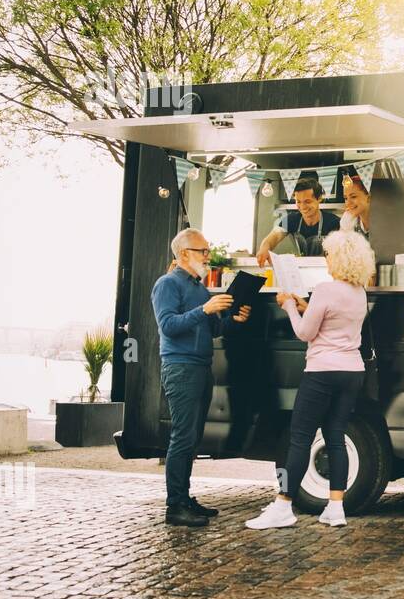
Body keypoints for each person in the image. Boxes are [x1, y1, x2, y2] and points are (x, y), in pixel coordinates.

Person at [246, 230, 374, 530]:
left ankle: (283, 507)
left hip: (322, 371)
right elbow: (333, 321)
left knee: (300, 437)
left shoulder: (326, 289)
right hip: (351, 372)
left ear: (339, 259)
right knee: (336, 437)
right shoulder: (359, 292)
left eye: (329, 254)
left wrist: (290, 306)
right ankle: (335, 508)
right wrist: (304, 306)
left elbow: (305, 333)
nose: (326, 259)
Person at [151, 228, 251, 527]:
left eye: (207, 251)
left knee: (192, 438)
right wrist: (205, 308)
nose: (208, 256)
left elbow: (215, 330)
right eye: (202, 251)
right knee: (182, 437)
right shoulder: (167, 284)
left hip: (201, 367)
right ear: (183, 254)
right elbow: (168, 325)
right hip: (180, 368)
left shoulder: (199, 287)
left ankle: (185, 498)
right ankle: (175, 506)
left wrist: (234, 320)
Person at [255, 177, 341, 264]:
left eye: (307, 201)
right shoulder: (290, 219)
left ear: (319, 199)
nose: (302, 207)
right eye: (298, 201)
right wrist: (264, 248)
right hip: (301, 268)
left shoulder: (334, 222)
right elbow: (274, 237)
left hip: (326, 270)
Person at [340, 174, 371, 242]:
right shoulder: (347, 219)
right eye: (345, 198)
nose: (348, 203)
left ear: (369, 198)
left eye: (353, 197)